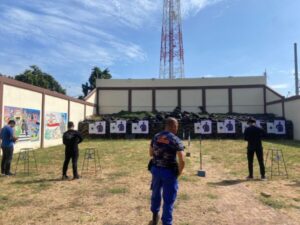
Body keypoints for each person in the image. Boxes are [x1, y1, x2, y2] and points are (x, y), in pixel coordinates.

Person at [149, 117, 185, 225]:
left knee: (155, 193)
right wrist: (179, 172)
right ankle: (167, 222)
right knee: (168, 199)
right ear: (173, 126)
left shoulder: (156, 136)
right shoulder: (175, 139)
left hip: (156, 169)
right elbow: (182, 160)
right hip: (169, 172)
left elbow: (150, 153)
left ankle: (155, 216)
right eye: (177, 126)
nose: (177, 128)